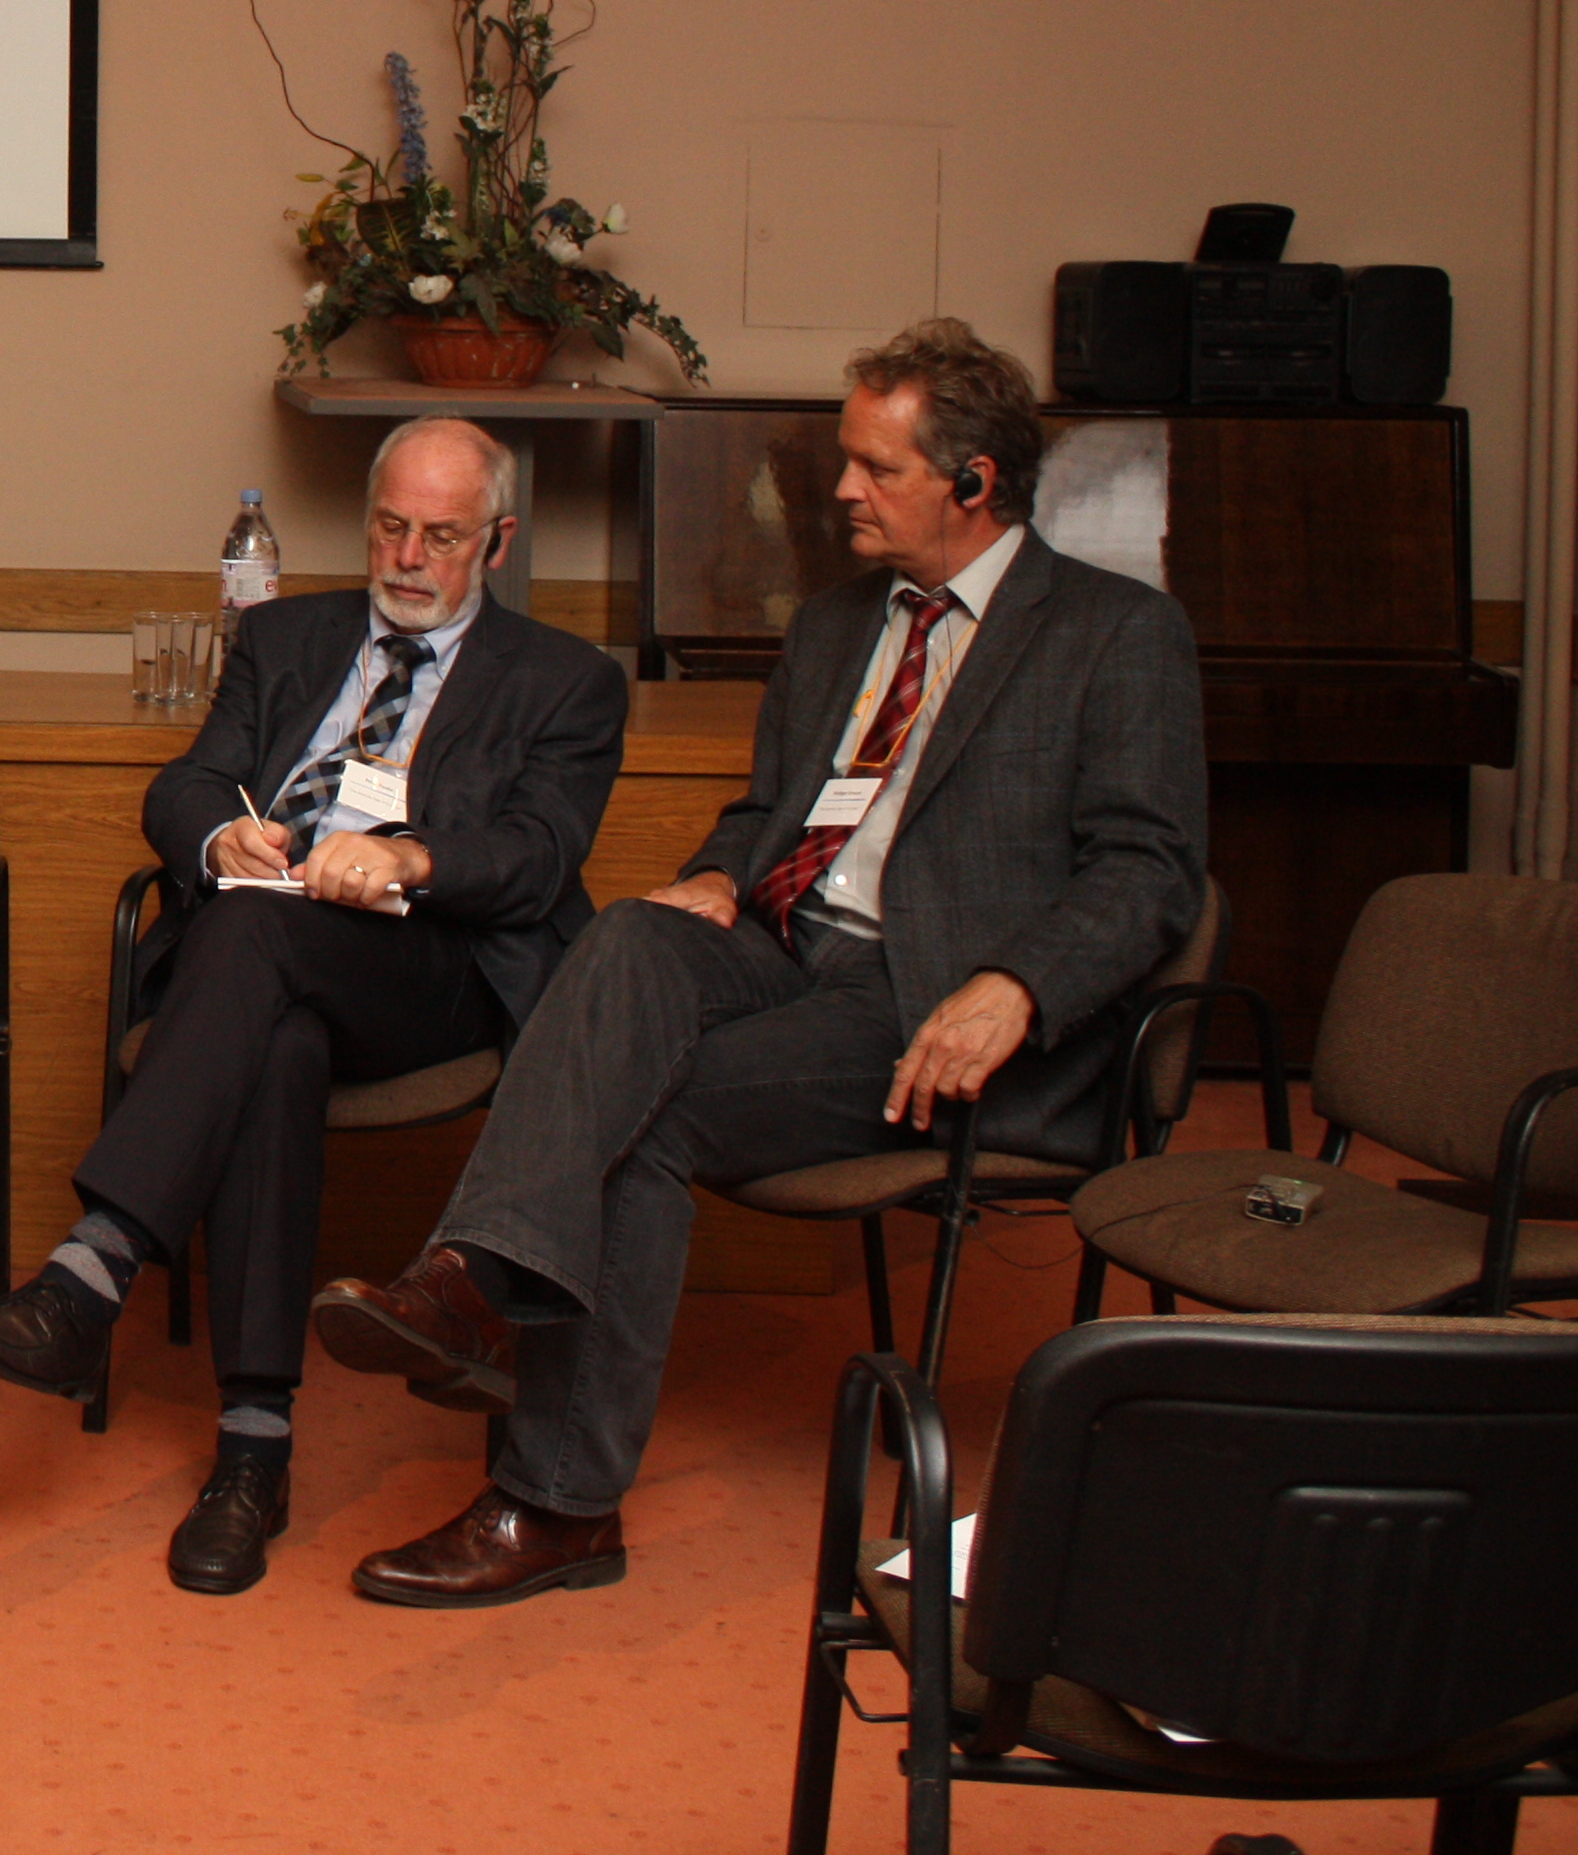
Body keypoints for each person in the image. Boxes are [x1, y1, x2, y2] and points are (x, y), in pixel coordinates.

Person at [310, 318, 1204, 1605]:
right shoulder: (838, 624)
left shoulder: (1115, 632)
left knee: (639, 1114)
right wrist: (724, 869)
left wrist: (1018, 983)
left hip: (933, 996)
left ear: (973, 482)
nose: (842, 489)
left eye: (877, 467)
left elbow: (1152, 868)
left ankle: (546, 1482)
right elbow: (773, 810)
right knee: (630, 933)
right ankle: (471, 1289)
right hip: (787, 943)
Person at [0, 414, 628, 1592]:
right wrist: (221, 835)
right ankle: (253, 1452)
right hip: (268, 963)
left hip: (428, 965)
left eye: (441, 536)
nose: (407, 557)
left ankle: (93, 1270)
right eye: (390, 527)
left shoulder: (566, 679)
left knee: (252, 937)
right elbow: (188, 781)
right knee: (279, 1038)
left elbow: (541, 854)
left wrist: (408, 857)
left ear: (497, 543)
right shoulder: (285, 636)